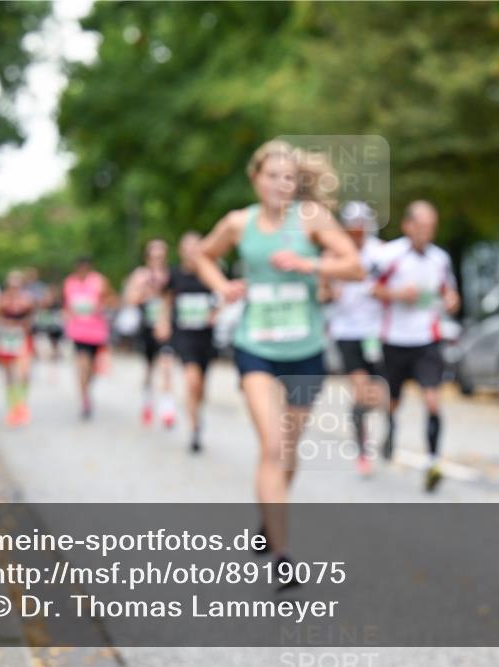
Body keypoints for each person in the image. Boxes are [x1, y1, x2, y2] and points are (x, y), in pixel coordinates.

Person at [195, 140, 363, 581]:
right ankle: (283, 555)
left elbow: (355, 266)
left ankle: (270, 519)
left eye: (289, 177)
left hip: (306, 350)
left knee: (288, 451)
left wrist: (310, 267)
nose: (280, 184)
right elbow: (202, 256)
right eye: (272, 176)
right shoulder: (238, 224)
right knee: (271, 446)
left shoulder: (311, 220)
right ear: (256, 179)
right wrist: (222, 286)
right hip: (256, 347)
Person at [373, 201, 460, 492]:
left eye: (431, 228)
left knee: (433, 400)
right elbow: (372, 289)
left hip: (427, 339)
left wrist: (451, 301)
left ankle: (433, 462)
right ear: (408, 225)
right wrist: (397, 294)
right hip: (395, 339)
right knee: (394, 399)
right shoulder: (390, 255)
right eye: (421, 227)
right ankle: (391, 425)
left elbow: (451, 294)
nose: (426, 233)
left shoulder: (440, 259)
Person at [319, 201, 387, 477]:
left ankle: (381, 427)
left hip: (377, 332)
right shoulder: (333, 253)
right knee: (360, 390)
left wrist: (384, 292)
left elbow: (392, 284)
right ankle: (362, 451)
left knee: (378, 395)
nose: (357, 230)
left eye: (362, 224)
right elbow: (321, 289)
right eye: (352, 225)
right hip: (346, 331)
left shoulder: (381, 253)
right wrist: (328, 292)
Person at [159, 232, 219, 453]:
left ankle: (197, 413)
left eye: (197, 246)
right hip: (183, 335)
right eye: (188, 246)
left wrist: (216, 313)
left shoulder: (210, 272)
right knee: (191, 380)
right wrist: (163, 321)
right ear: (182, 250)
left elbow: (222, 295)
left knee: (201, 387)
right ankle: (194, 429)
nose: (193, 250)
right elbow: (166, 299)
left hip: (205, 336)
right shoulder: (174, 274)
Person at [125, 240, 177, 428]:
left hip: (165, 328)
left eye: (161, 257)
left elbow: (174, 299)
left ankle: (167, 407)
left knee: (166, 364)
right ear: (148, 257)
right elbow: (130, 300)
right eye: (154, 257)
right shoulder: (140, 275)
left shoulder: (170, 275)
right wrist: (144, 289)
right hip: (146, 326)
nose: (157, 260)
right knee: (149, 367)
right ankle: (147, 401)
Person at [64, 257, 116, 420]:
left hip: (96, 332)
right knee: (82, 365)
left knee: (92, 368)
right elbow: (66, 305)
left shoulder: (99, 281)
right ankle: (85, 400)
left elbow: (112, 299)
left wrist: (103, 307)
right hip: (78, 332)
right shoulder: (70, 283)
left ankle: (88, 387)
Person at [0, 270, 36, 426]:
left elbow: (32, 316)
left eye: (17, 285)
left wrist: (24, 324)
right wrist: (5, 324)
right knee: (9, 374)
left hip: (23, 337)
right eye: (12, 285)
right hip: (7, 338)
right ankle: (12, 407)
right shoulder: (1, 300)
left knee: (25, 373)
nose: (14, 288)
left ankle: (22, 403)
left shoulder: (28, 300)